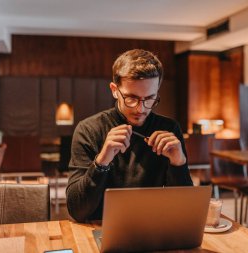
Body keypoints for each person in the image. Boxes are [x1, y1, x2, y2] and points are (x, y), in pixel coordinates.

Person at [66, 49, 193, 222]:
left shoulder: (169, 129)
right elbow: (77, 211)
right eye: (131, 98)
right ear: (114, 90)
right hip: (100, 226)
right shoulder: (89, 130)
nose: (140, 109)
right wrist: (101, 161)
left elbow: (185, 209)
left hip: (153, 225)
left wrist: (179, 163)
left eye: (150, 98)